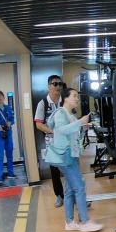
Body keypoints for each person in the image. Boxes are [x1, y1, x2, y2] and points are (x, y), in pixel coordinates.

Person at [46, 88, 103, 232]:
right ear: (65, 98)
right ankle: (84, 222)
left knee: (70, 190)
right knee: (79, 187)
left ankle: (70, 222)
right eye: (74, 96)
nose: (77, 99)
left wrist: (82, 128)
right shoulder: (61, 113)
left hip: (71, 155)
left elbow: (72, 134)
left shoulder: (71, 115)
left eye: (77, 96)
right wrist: (80, 122)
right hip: (66, 156)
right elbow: (62, 130)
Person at [34, 75, 66, 207]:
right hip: (52, 144)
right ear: (49, 86)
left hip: (66, 143)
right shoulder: (43, 103)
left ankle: (76, 196)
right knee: (54, 171)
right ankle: (59, 196)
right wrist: (52, 131)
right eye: (55, 84)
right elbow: (38, 124)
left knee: (71, 170)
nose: (58, 86)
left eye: (60, 84)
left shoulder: (65, 101)